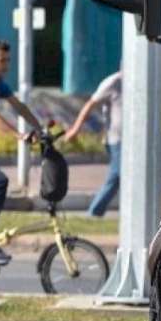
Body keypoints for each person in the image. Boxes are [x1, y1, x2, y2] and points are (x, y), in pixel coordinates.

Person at [0, 38, 43, 264]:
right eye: (2, 61)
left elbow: (19, 106)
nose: (6, 66)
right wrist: (18, 135)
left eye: (8, 61)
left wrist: (38, 128)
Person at [64, 71, 121, 217]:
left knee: (122, 177)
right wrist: (75, 129)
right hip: (117, 139)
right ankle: (94, 212)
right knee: (117, 175)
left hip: (131, 140)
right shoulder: (114, 82)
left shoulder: (141, 80)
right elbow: (90, 104)